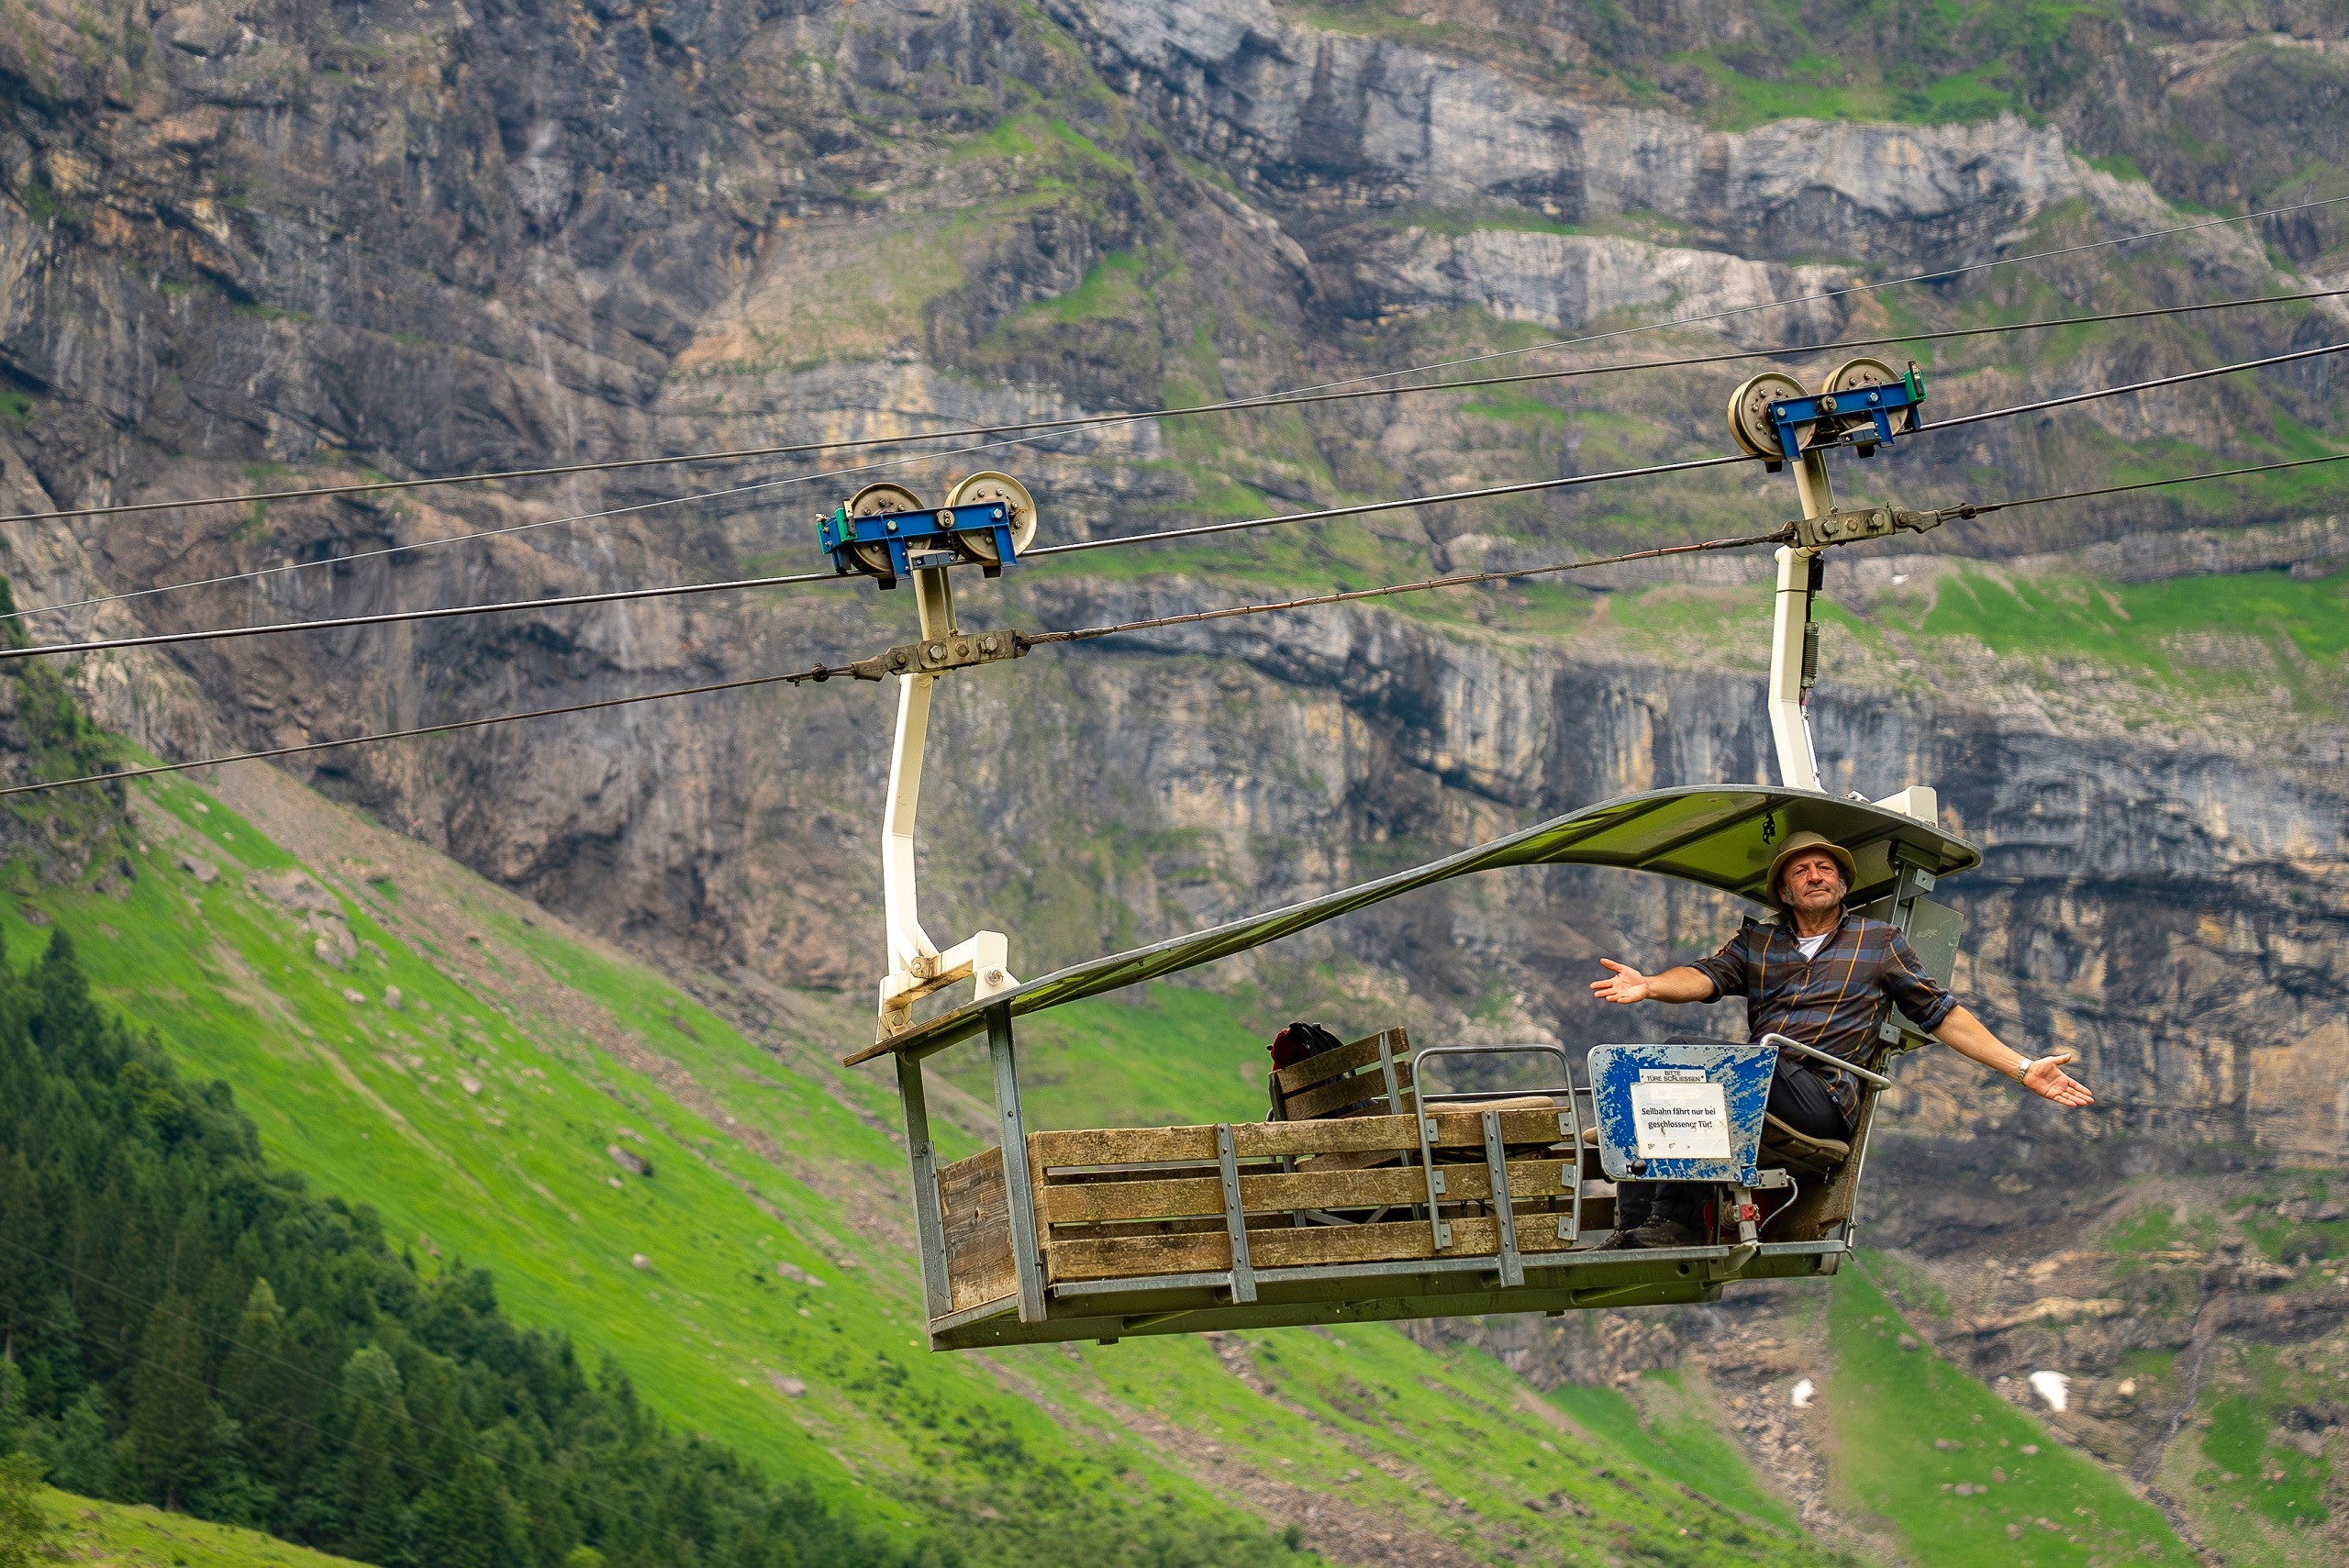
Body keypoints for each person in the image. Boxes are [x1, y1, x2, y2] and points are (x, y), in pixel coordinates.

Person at [1588, 829, 2092, 1249]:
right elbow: (1705, 976)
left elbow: (1940, 1013)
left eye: (1825, 868)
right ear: (1784, 892)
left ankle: (1672, 1220)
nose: (1815, 876)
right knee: (1664, 1058)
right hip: (1758, 1081)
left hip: (1819, 1095)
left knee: (1741, 1065)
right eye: (1801, 871)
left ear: (1843, 883)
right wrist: (1650, 985)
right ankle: (1637, 1227)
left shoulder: (1878, 944)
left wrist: (2022, 1068)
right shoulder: (1758, 942)